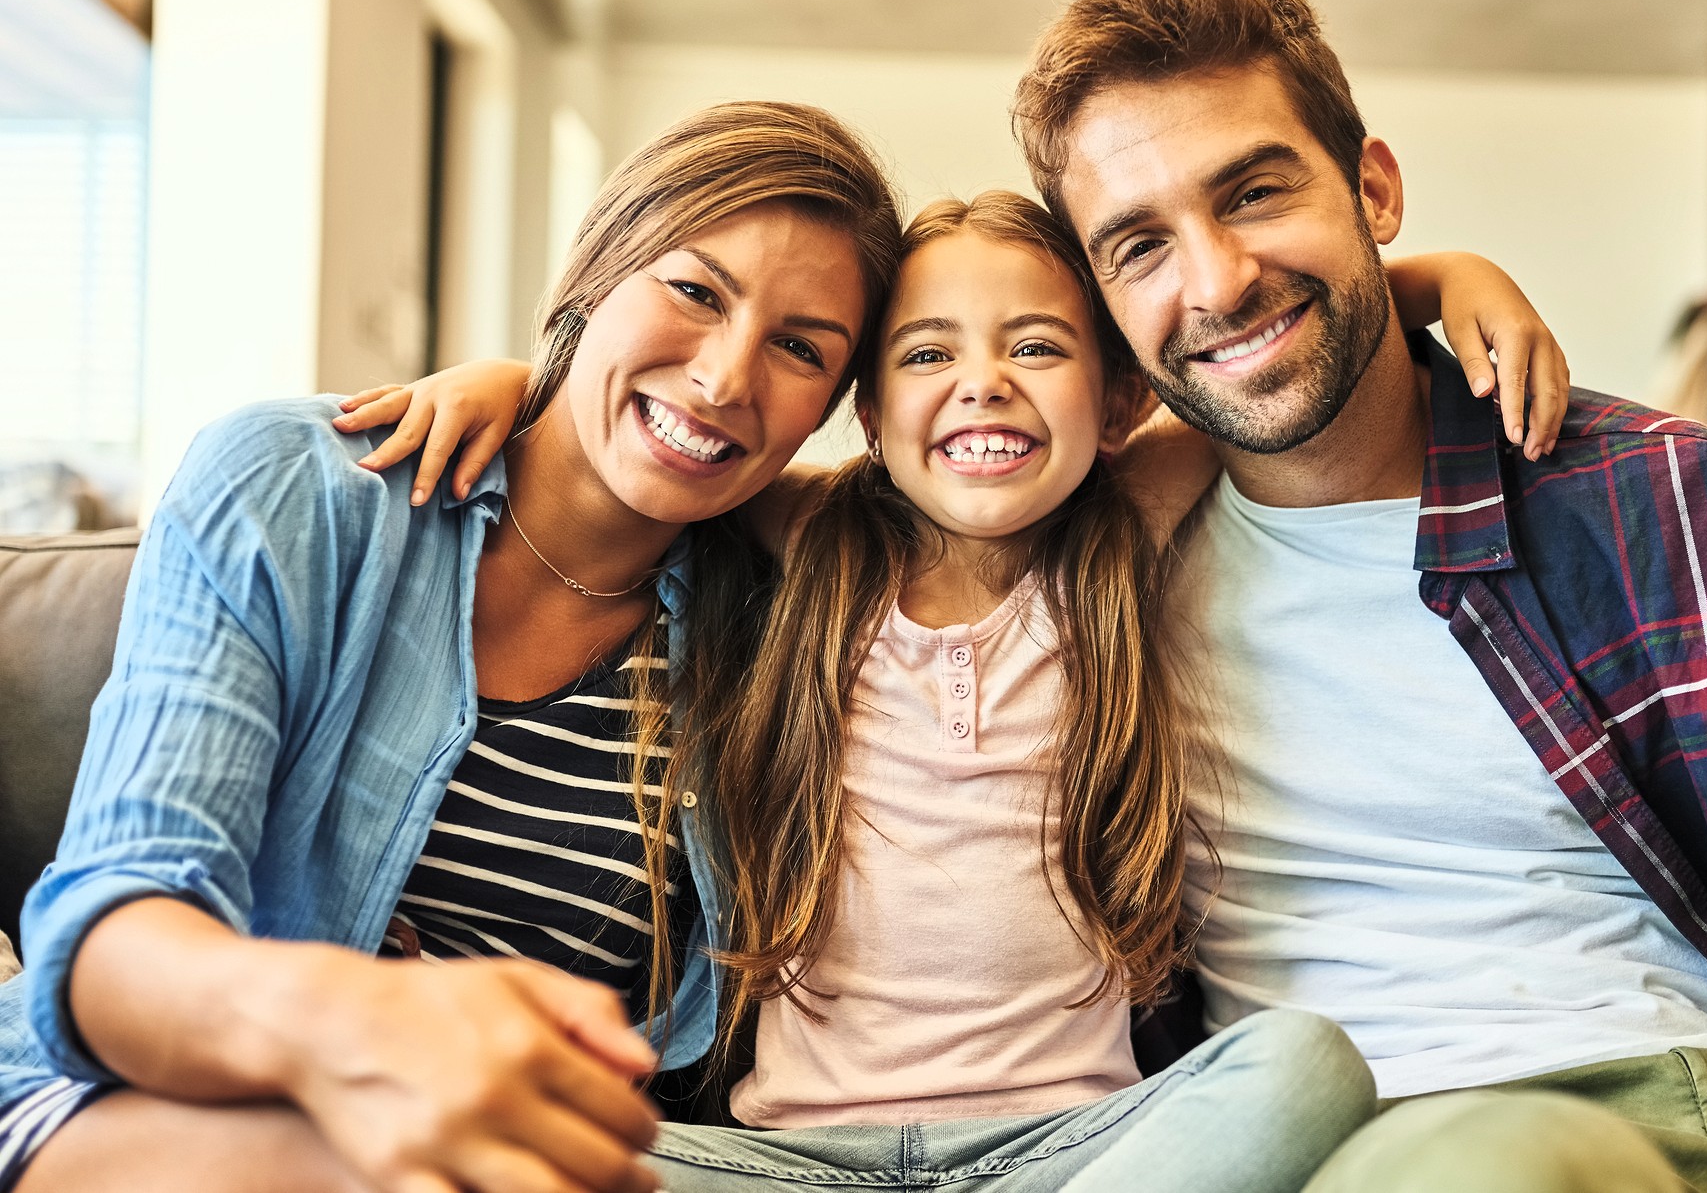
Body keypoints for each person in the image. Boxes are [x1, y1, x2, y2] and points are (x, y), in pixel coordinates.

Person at [346, 193, 1569, 1189]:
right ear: (868, 413)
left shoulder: (1122, 524)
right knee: (537, 1149)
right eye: (928, 353)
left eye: (1035, 346)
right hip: (787, 1158)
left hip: (1066, 1147)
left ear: (1119, 401)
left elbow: (1238, 351)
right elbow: (654, 435)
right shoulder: (810, 531)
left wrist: (1434, 276)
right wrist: (510, 381)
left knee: (1304, 1064)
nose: (981, 381)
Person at [1005, 0, 1707, 1191]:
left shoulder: (1704, 509)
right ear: (1102, 301)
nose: (1213, 281)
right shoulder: (1080, 573)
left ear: (1372, 190)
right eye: (1139, 245)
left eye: (1255, 191)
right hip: (1447, 1134)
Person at [0, 100, 905, 1193]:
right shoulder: (300, 486)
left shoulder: (777, 616)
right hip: (152, 1109)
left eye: (799, 348)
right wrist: (367, 1024)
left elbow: (1074, 476)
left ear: (829, 412)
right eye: (692, 289)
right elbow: (113, 935)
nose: (723, 377)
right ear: (591, 271)